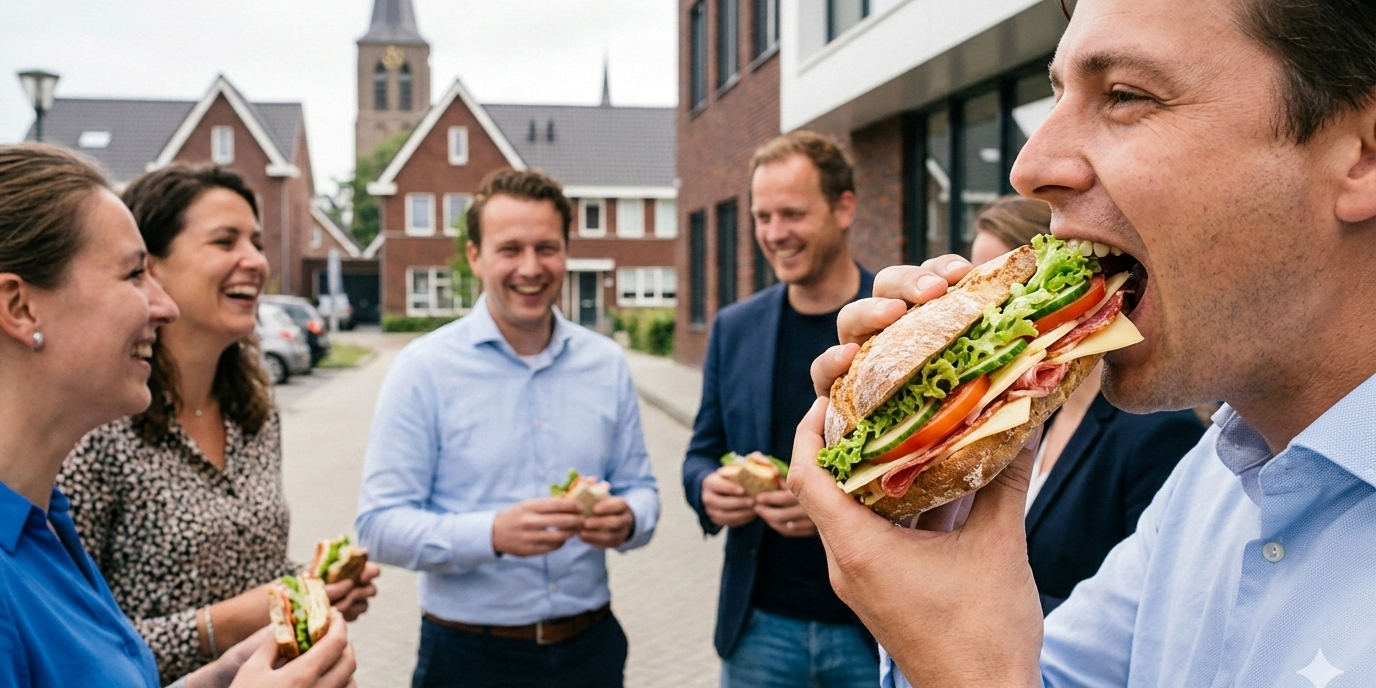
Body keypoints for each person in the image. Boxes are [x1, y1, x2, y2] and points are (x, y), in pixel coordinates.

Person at [789, 0, 1376, 685]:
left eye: (1125, 95)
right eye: (1056, 95)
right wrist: (932, 540)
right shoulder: (1210, 485)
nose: (1029, 166)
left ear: (1361, 156)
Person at [0, 142, 355, 688]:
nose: (162, 307)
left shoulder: (44, 522)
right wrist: (232, 625)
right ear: (20, 308)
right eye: (133, 275)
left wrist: (222, 675)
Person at [355, 168, 660, 688]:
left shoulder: (607, 364)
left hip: (591, 650)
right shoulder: (422, 369)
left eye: (546, 248)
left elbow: (644, 493)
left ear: (566, 251)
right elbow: (378, 526)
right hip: (469, 658)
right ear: (475, 256)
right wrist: (491, 534)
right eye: (509, 249)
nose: (530, 267)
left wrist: (628, 519)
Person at [681, 131, 877, 687]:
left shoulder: (899, 320)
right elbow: (700, 451)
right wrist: (705, 488)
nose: (773, 234)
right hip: (759, 626)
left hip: (872, 625)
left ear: (844, 208)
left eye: (790, 214)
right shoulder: (733, 329)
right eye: (762, 217)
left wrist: (830, 508)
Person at [970, 195, 1203, 615]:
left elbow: (1147, 611)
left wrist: (981, 608)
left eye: (1000, 298)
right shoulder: (1032, 412)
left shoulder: (1159, 432)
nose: (983, 319)